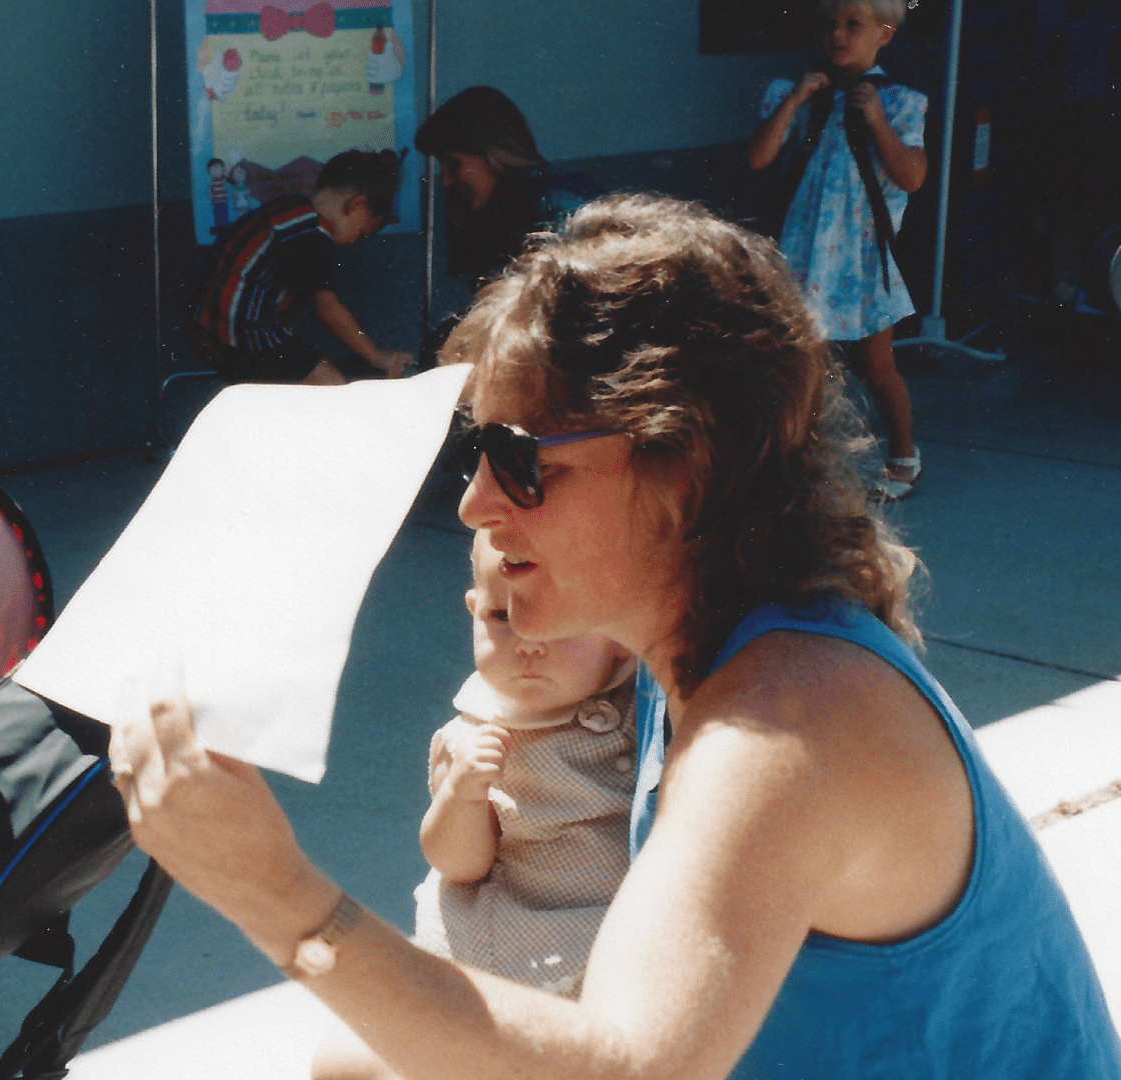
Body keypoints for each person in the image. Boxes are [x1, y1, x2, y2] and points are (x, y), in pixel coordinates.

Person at [110, 193, 1121, 1079]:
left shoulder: (781, 729)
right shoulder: (693, 650)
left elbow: (631, 1072)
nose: (471, 505)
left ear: (680, 462)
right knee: (358, 1060)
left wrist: (281, 900)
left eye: (514, 456)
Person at [313, 532, 637, 1079]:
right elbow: (459, 865)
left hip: (594, 957)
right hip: (486, 942)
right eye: (501, 616)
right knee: (340, 1061)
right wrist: (464, 795)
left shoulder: (646, 712)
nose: (528, 640)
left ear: (622, 632)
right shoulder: (472, 737)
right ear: (472, 612)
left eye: (560, 621)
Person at [745, 0, 928, 501]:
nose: (838, 36)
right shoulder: (797, 93)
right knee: (798, 365)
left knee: (876, 364)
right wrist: (797, 99)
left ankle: (904, 456)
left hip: (861, 257)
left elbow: (911, 176)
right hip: (803, 253)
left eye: (853, 25)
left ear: (884, 34)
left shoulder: (899, 102)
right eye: (829, 25)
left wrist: (877, 122)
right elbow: (758, 157)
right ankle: (797, 465)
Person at [187, 149, 411, 386]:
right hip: (238, 329)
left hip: (209, 325)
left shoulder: (292, 210)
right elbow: (327, 309)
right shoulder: (315, 233)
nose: (353, 244)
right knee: (330, 384)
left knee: (308, 369)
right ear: (356, 205)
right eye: (361, 233)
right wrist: (375, 355)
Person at [414, 86, 550, 299]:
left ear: (494, 153)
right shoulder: (492, 217)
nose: (446, 181)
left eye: (453, 163)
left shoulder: (561, 206)